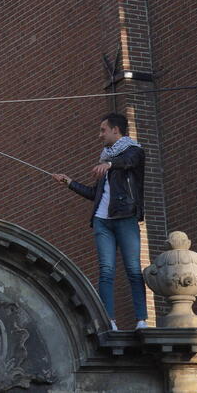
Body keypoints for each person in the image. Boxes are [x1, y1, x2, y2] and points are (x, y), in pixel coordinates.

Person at [52, 112, 147, 331]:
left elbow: (129, 161)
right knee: (106, 271)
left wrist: (110, 164)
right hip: (102, 221)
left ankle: (142, 319)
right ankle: (109, 322)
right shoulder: (106, 159)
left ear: (116, 130)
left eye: (103, 130)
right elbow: (95, 194)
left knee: (133, 269)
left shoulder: (134, 151)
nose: (99, 135)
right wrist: (69, 182)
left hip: (124, 217)